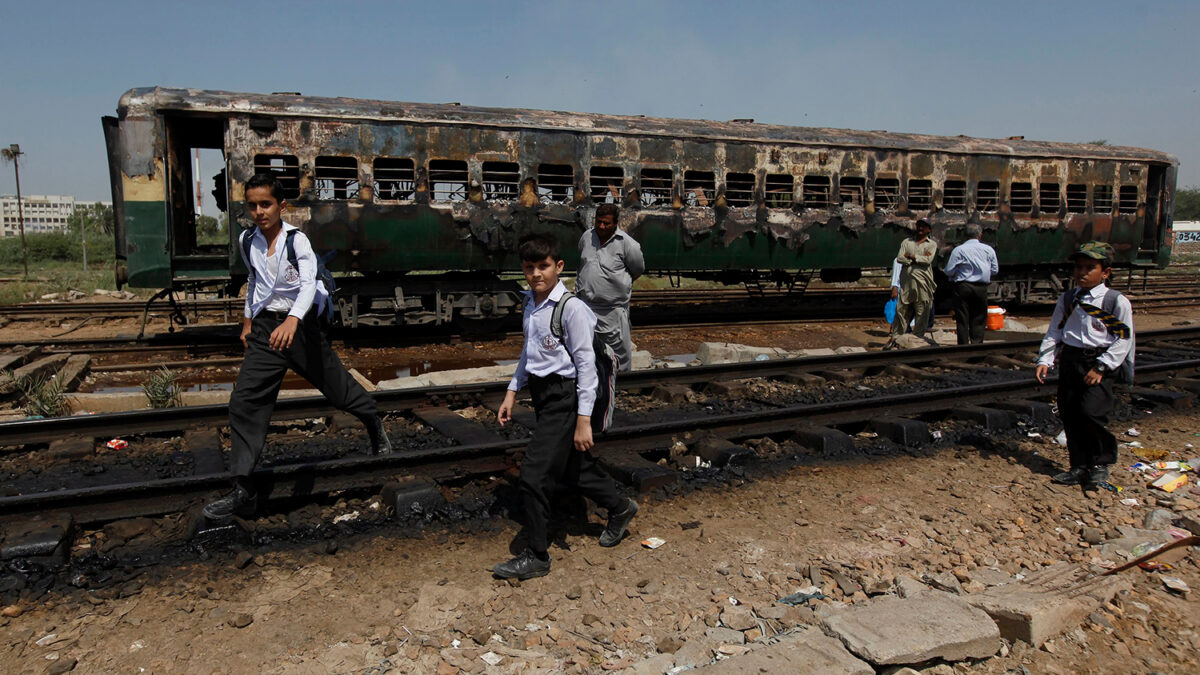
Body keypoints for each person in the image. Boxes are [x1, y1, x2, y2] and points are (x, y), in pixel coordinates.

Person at [203, 174, 391, 520]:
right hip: (265, 332)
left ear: (281, 206)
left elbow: (308, 285)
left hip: (301, 329)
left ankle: (372, 419)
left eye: (266, 204)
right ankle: (243, 488)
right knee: (245, 401)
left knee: (338, 391)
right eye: (252, 205)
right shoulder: (248, 241)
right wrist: (247, 323)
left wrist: (293, 320)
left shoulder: (297, 241)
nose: (259, 211)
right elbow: (254, 281)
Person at [494, 233, 639, 580]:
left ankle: (537, 554)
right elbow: (529, 354)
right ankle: (620, 508)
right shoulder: (531, 303)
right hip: (543, 396)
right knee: (574, 469)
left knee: (532, 475)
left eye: (543, 267)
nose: (536, 274)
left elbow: (587, 367)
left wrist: (583, 420)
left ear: (558, 267)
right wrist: (512, 392)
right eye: (529, 268)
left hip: (565, 397)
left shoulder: (571, 309)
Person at [1035, 241, 1134, 488]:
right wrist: (1046, 358)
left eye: (1090, 267)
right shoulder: (1068, 299)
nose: (1082, 273)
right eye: (1079, 267)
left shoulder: (1115, 301)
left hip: (1098, 361)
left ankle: (1099, 464)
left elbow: (1124, 338)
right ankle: (1078, 465)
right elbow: (1054, 332)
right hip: (1072, 360)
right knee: (1070, 413)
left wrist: (1102, 366)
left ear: (1106, 272)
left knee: (1091, 412)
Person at [576, 203, 645, 372]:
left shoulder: (628, 244)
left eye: (606, 223)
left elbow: (637, 269)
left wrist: (616, 285)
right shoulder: (586, 237)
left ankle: (621, 387)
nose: (601, 226)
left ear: (615, 223)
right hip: (586, 307)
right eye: (598, 222)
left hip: (613, 310)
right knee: (587, 351)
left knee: (618, 353)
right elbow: (582, 262)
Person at [943, 224, 999, 345]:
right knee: (979, 317)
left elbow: (948, 270)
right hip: (981, 288)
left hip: (963, 287)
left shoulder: (959, 250)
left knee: (962, 318)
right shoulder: (989, 249)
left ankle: (963, 346)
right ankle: (977, 345)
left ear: (965, 235)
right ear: (980, 235)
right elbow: (994, 270)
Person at [885, 218, 938, 348]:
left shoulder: (931, 244)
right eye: (919, 225)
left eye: (924, 226)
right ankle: (897, 337)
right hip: (907, 283)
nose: (920, 228)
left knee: (922, 311)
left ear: (929, 230)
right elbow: (900, 258)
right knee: (901, 310)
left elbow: (927, 260)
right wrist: (915, 259)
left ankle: (917, 338)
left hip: (923, 283)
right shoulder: (906, 242)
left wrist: (912, 256)